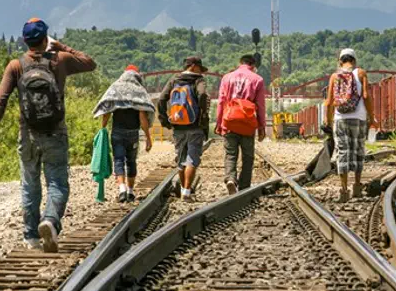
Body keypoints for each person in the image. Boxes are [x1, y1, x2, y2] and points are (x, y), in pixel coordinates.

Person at [0, 18, 96, 252]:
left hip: (28, 134)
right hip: (55, 132)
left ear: (25, 41)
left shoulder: (16, 66)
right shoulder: (60, 60)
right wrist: (62, 47)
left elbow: (0, 100)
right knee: (57, 182)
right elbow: (90, 63)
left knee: (30, 184)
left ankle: (31, 236)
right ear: (46, 39)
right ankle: (51, 221)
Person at [93, 65, 155, 202]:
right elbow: (143, 118)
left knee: (118, 160)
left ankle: (122, 190)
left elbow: (107, 110)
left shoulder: (115, 88)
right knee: (131, 161)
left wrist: (102, 128)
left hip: (117, 133)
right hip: (133, 134)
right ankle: (131, 192)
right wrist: (148, 138)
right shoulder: (139, 91)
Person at [157, 57, 210, 202]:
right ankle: (187, 192)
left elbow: (161, 99)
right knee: (192, 159)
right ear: (193, 66)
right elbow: (203, 96)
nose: (201, 71)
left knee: (181, 160)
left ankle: (182, 190)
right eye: (199, 68)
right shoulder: (199, 80)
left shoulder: (174, 80)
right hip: (195, 126)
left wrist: (165, 120)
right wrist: (203, 116)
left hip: (178, 126)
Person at [325, 48, 373, 203]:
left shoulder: (334, 76)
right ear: (354, 60)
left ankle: (344, 190)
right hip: (358, 118)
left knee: (343, 152)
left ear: (340, 61)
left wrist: (328, 119)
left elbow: (329, 101)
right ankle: (357, 187)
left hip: (340, 119)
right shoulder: (360, 73)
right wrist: (371, 116)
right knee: (358, 150)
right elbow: (366, 96)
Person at [216, 54, 267, 194]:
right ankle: (244, 187)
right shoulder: (258, 79)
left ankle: (231, 179)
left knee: (230, 154)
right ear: (253, 65)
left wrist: (219, 122)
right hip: (247, 122)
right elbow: (260, 105)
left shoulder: (227, 78)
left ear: (240, 63)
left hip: (230, 120)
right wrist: (261, 126)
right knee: (248, 156)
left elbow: (221, 102)